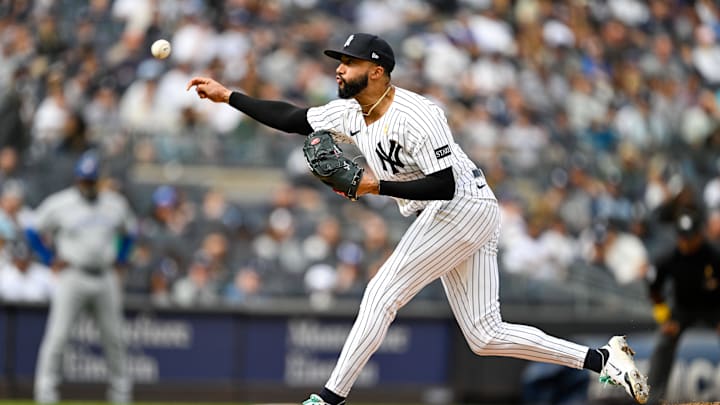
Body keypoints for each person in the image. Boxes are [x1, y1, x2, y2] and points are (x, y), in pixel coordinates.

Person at [187, 33, 649, 404]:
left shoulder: (418, 115)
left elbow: (445, 184)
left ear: (378, 71)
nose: (339, 67)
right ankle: (604, 359)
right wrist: (229, 96)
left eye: (348, 61)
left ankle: (328, 400)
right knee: (485, 335)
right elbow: (292, 117)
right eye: (338, 60)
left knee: (381, 293)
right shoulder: (350, 112)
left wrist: (375, 186)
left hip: (461, 206)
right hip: (457, 213)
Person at [28, 150, 135, 404]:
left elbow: (130, 232)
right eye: (83, 179)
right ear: (77, 179)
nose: (86, 184)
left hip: (105, 276)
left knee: (115, 339)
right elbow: (33, 229)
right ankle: (46, 393)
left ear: (99, 179)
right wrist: (47, 257)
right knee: (57, 336)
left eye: (91, 179)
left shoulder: (114, 202)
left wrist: (121, 258)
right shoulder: (60, 202)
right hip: (72, 275)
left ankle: (121, 394)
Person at [646, 209, 720, 403]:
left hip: (714, 307)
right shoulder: (669, 257)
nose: (685, 242)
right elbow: (654, 290)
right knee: (664, 342)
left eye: (690, 237)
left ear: (699, 235)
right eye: (682, 237)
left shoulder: (713, 255)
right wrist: (665, 318)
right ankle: (652, 397)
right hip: (683, 309)